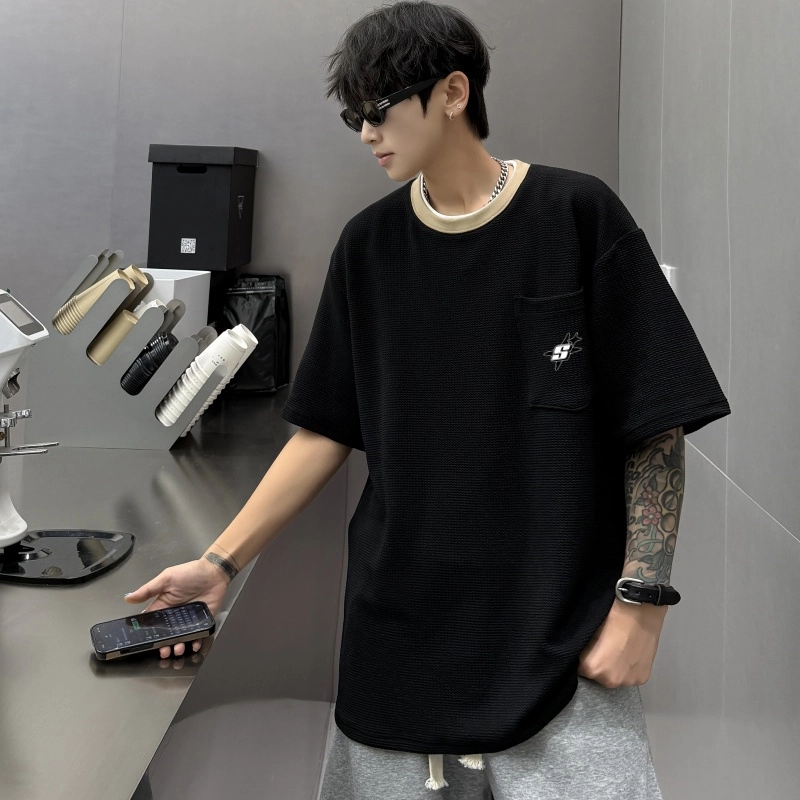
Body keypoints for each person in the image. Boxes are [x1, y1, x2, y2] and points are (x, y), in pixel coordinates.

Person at [125, 2, 732, 798]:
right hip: (401, 637)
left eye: (377, 110)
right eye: (353, 117)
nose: (366, 133)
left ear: (452, 92)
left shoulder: (575, 216)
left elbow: (655, 422)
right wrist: (218, 565)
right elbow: (323, 432)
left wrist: (642, 603)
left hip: (561, 633)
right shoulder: (369, 247)